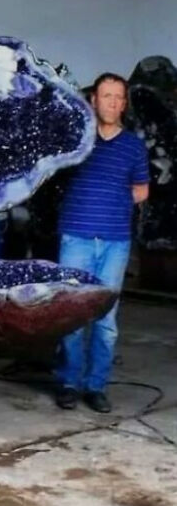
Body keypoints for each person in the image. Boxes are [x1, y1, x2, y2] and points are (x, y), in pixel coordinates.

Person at [55, 72, 149, 413]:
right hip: (76, 238)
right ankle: (68, 382)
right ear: (93, 100)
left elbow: (142, 190)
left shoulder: (134, 146)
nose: (111, 102)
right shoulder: (75, 141)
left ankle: (96, 386)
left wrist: (112, 200)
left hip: (114, 242)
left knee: (106, 321)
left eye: (117, 97)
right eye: (105, 95)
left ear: (123, 103)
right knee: (71, 313)